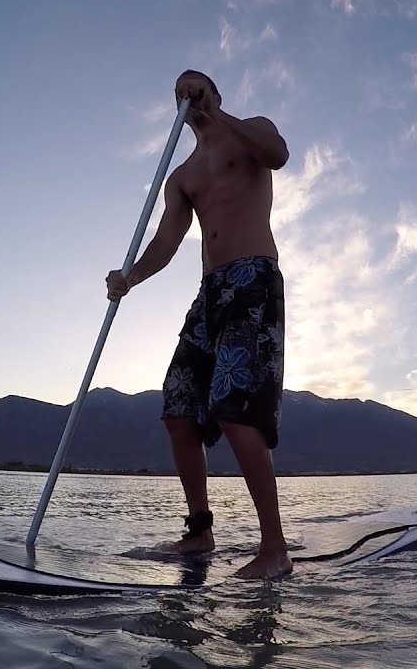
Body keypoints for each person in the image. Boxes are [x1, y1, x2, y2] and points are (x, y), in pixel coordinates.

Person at [106, 69, 291, 580]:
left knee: (234, 408)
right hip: (209, 292)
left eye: (197, 88)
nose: (188, 97)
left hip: (253, 279)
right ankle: (200, 530)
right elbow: (167, 243)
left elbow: (278, 154)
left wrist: (218, 115)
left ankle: (275, 549)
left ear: (216, 93)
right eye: (179, 94)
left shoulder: (249, 129)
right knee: (179, 407)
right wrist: (129, 277)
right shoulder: (181, 176)